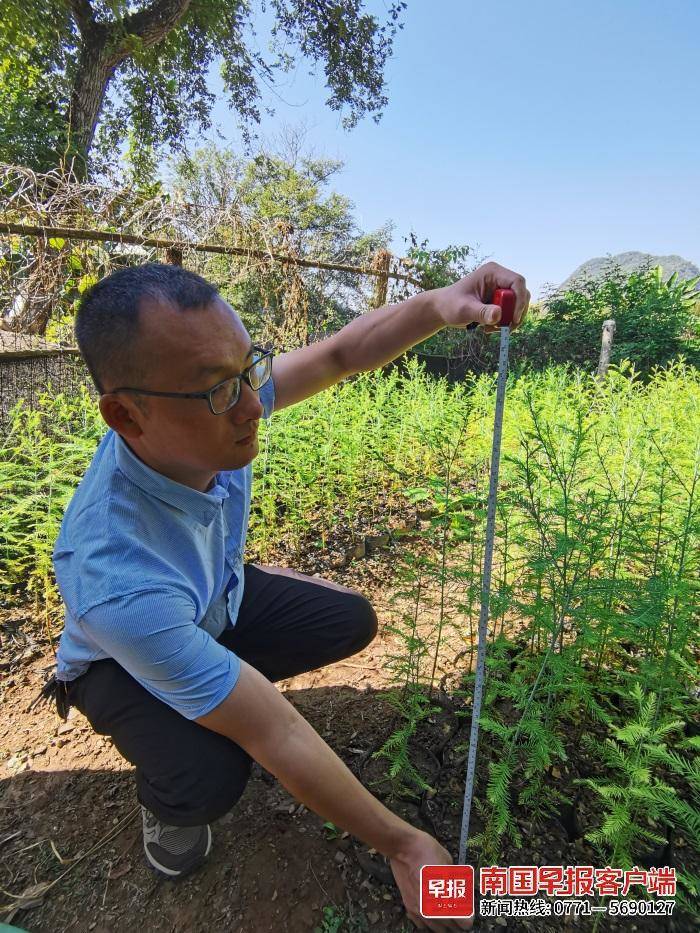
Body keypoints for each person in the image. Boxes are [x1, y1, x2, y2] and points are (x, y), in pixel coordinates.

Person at [50, 260, 528, 932]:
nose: (254, 405)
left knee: (347, 617)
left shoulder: (203, 412)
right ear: (126, 413)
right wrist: (404, 844)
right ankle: (170, 797)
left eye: (250, 369)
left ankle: (212, 676)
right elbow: (275, 729)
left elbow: (339, 355)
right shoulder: (115, 578)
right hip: (116, 663)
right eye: (220, 390)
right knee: (213, 770)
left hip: (207, 599)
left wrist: (438, 305)